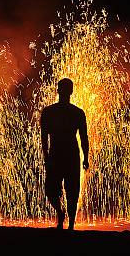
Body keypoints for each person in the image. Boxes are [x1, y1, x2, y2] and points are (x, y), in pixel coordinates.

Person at [40, 78, 89, 230]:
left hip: (62, 154)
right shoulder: (51, 112)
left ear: (58, 90)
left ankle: (70, 224)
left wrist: (46, 156)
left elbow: (83, 137)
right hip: (65, 154)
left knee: (70, 190)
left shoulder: (75, 113)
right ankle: (62, 215)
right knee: (57, 189)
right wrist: (85, 158)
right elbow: (83, 138)